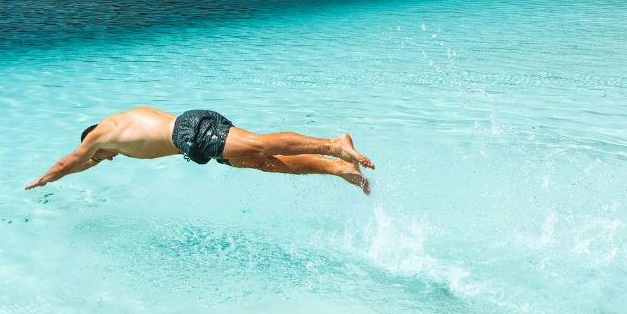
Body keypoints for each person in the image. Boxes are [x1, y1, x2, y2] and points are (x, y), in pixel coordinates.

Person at [26, 106, 375, 194]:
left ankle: (334, 144)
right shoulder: (116, 129)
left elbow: (72, 160)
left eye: (102, 157)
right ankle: (337, 168)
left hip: (189, 131)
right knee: (268, 163)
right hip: (193, 139)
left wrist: (44, 180)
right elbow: (85, 164)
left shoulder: (100, 135)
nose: (108, 159)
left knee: (260, 144)